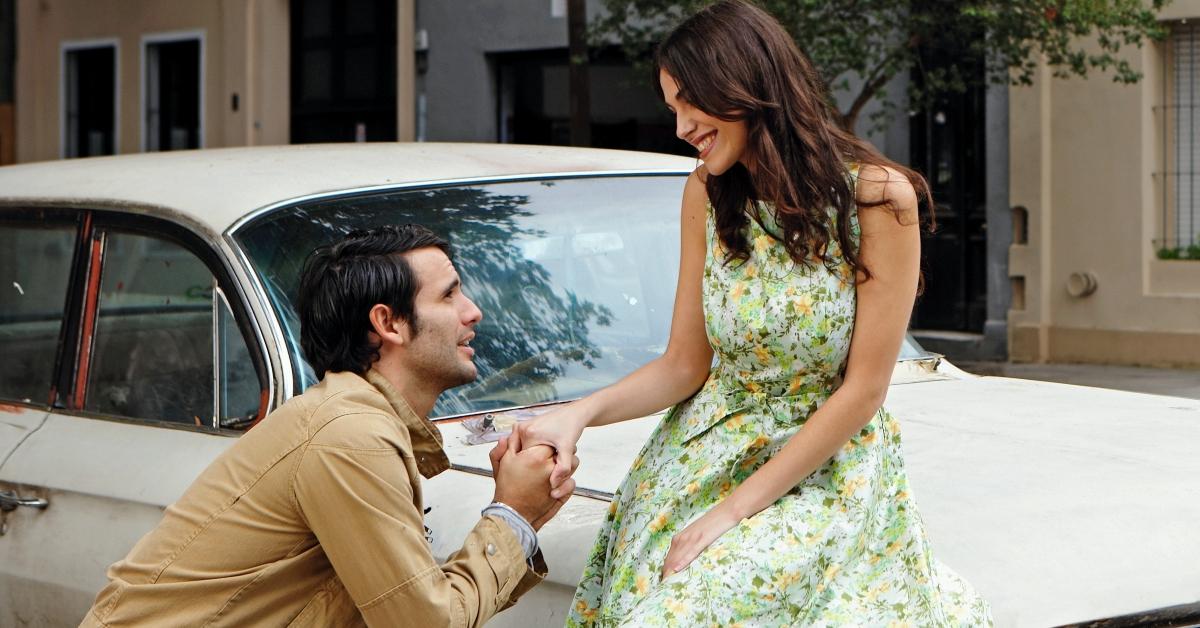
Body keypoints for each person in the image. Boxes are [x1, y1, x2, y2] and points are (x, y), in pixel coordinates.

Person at [514, 1, 992, 625]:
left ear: (746, 86)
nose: (681, 126)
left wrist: (732, 513)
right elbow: (684, 364)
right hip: (698, 455)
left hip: (824, 468)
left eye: (690, 102)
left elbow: (865, 389)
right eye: (672, 109)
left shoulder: (876, 197)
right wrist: (576, 414)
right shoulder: (707, 191)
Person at [81, 224, 575, 627]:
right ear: (389, 324)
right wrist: (513, 516)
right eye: (449, 296)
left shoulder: (358, 419)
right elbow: (425, 623)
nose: (473, 312)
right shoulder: (350, 434)